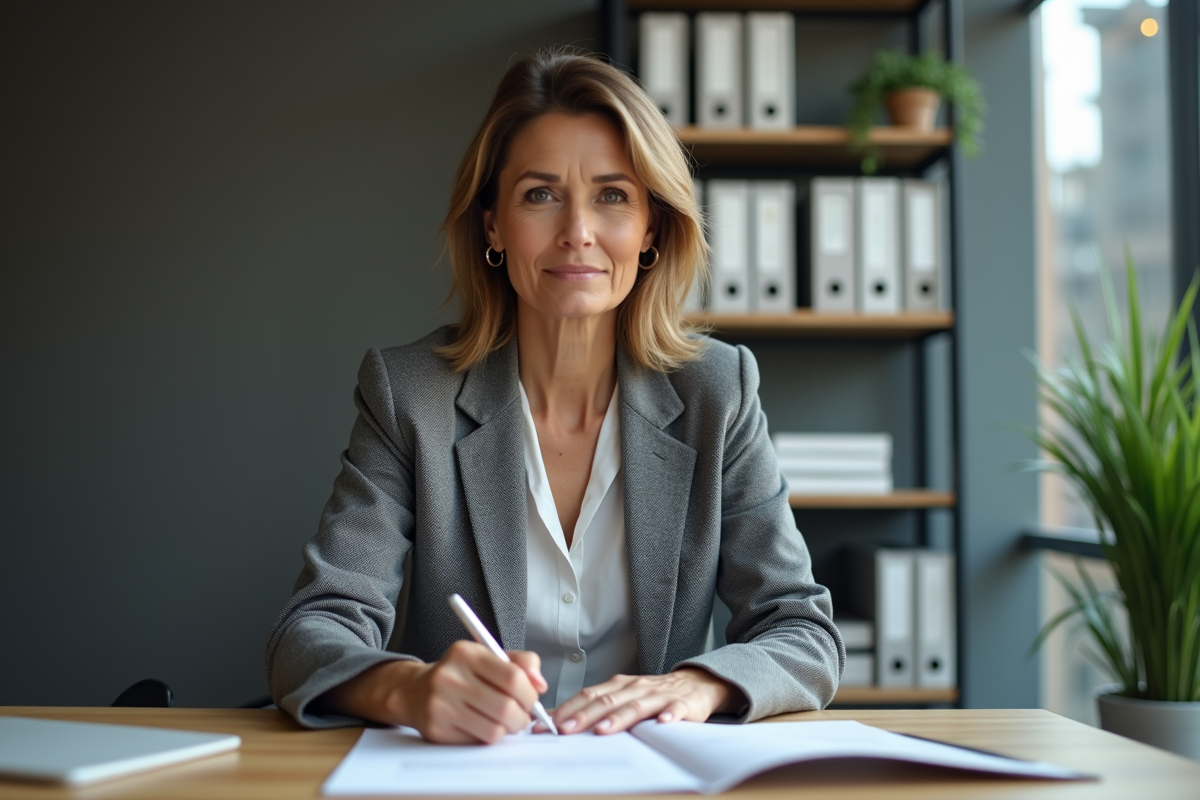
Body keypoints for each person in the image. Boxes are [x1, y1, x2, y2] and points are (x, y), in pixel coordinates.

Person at [265, 50, 843, 744]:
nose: (578, 230)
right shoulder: (411, 395)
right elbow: (311, 629)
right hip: (470, 779)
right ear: (492, 226)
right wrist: (408, 687)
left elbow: (803, 633)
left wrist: (696, 685)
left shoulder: (718, 391)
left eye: (613, 195)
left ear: (652, 226)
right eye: (540, 194)